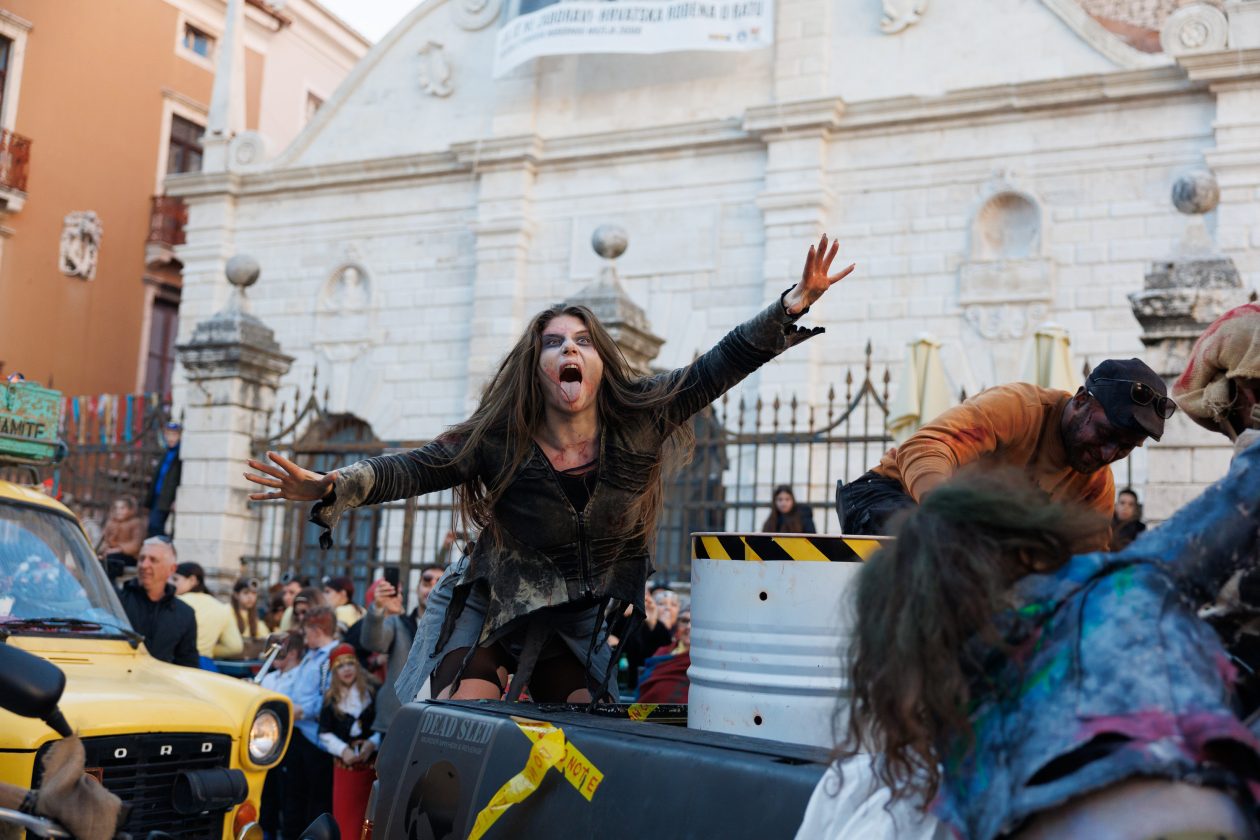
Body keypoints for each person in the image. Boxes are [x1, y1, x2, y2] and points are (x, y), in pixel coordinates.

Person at [246, 235, 854, 706]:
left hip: (574, 621)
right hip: (496, 605)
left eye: (584, 341)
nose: (570, 349)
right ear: (535, 365)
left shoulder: (642, 417)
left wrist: (792, 304)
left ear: (599, 363)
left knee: (581, 729)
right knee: (467, 717)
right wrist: (332, 485)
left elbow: (719, 363)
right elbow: (413, 467)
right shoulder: (497, 439)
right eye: (555, 341)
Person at [832, 451, 1260, 840]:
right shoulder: (1127, 581)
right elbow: (1242, 495)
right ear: (1031, 537)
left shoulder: (950, 687)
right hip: (1206, 814)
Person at [837, 358, 1174, 550]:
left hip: (974, 538)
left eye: (1126, 448)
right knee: (933, 544)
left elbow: (1089, 560)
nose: (1108, 453)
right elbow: (924, 447)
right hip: (888, 496)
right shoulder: (1020, 408)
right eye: (1104, 434)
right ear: (1081, 400)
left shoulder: (1096, 485)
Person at [360, 565, 444, 733]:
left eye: (441, 582)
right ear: (417, 588)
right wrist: (377, 608)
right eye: (427, 582)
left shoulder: (457, 630)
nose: (433, 587)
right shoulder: (398, 623)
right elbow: (372, 643)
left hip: (438, 724)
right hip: (397, 721)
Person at [277, 606, 338, 837]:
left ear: (317, 630)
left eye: (306, 631)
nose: (304, 637)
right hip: (297, 733)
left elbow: (327, 696)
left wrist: (300, 711)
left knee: (315, 799)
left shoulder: (331, 657)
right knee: (292, 795)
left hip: (315, 739)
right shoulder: (311, 655)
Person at [318, 643, 379, 840]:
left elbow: (383, 725)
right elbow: (324, 733)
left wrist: (372, 743)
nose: (346, 670)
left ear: (357, 666)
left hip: (371, 770)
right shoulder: (331, 699)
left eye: (350, 664)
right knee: (346, 818)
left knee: (368, 818)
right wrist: (343, 750)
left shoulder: (372, 691)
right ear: (335, 671)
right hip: (345, 771)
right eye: (341, 666)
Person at [117, 537, 198, 668]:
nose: (144, 565)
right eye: (142, 558)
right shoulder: (116, 602)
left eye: (153, 560)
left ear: (171, 569)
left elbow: (188, 665)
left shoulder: (185, 614)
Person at [171, 561, 243, 667]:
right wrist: (210, 649)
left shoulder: (176, 602)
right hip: (206, 667)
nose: (171, 583)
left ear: (192, 580)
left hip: (178, 664)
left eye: (175, 579)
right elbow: (236, 647)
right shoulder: (222, 608)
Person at [636, 606, 691, 704]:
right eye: (684, 621)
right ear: (677, 624)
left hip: (684, 716)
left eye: (695, 622)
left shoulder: (707, 659)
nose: (689, 627)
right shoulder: (663, 651)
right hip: (647, 712)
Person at [146, 422, 182, 537]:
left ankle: (164, 548)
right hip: (157, 495)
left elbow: (180, 478)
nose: (171, 438)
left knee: (155, 525)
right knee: (153, 526)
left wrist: (176, 499)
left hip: (167, 497)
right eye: (168, 434)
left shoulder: (180, 454)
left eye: (174, 435)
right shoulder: (165, 452)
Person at [98, 495, 143, 582]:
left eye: (122, 508)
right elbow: (105, 539)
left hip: (128, 556)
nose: (119, 511)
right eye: (117, 508)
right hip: (110, 553)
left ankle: (110, 584)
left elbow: (136, 545)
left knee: (111, 560)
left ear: (130, 510)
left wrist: (118, 549)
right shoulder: (111, 522)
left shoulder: (136, 523)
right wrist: (105, 548)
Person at [232, 578, 268, 658]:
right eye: (246, 593)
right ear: (236, 595)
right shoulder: (227, 612)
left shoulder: (256, 620)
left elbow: (266, 640)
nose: (250, 597)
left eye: (254, 593)